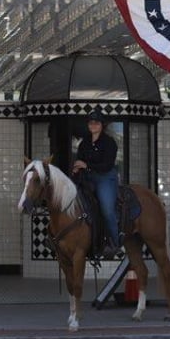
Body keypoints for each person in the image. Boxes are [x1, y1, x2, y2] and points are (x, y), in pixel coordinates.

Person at [72, 110, 122, 259]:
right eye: (91, 122)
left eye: (96, 122)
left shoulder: (109, 142)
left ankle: (114, 243)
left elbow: (106, 165)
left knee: (107, 209)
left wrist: (85, 165)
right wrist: (76, 168)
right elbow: (80, 160)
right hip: (86, 177)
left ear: (102, 125)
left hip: (105, 178)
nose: (93, 125)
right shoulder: (84, 142)